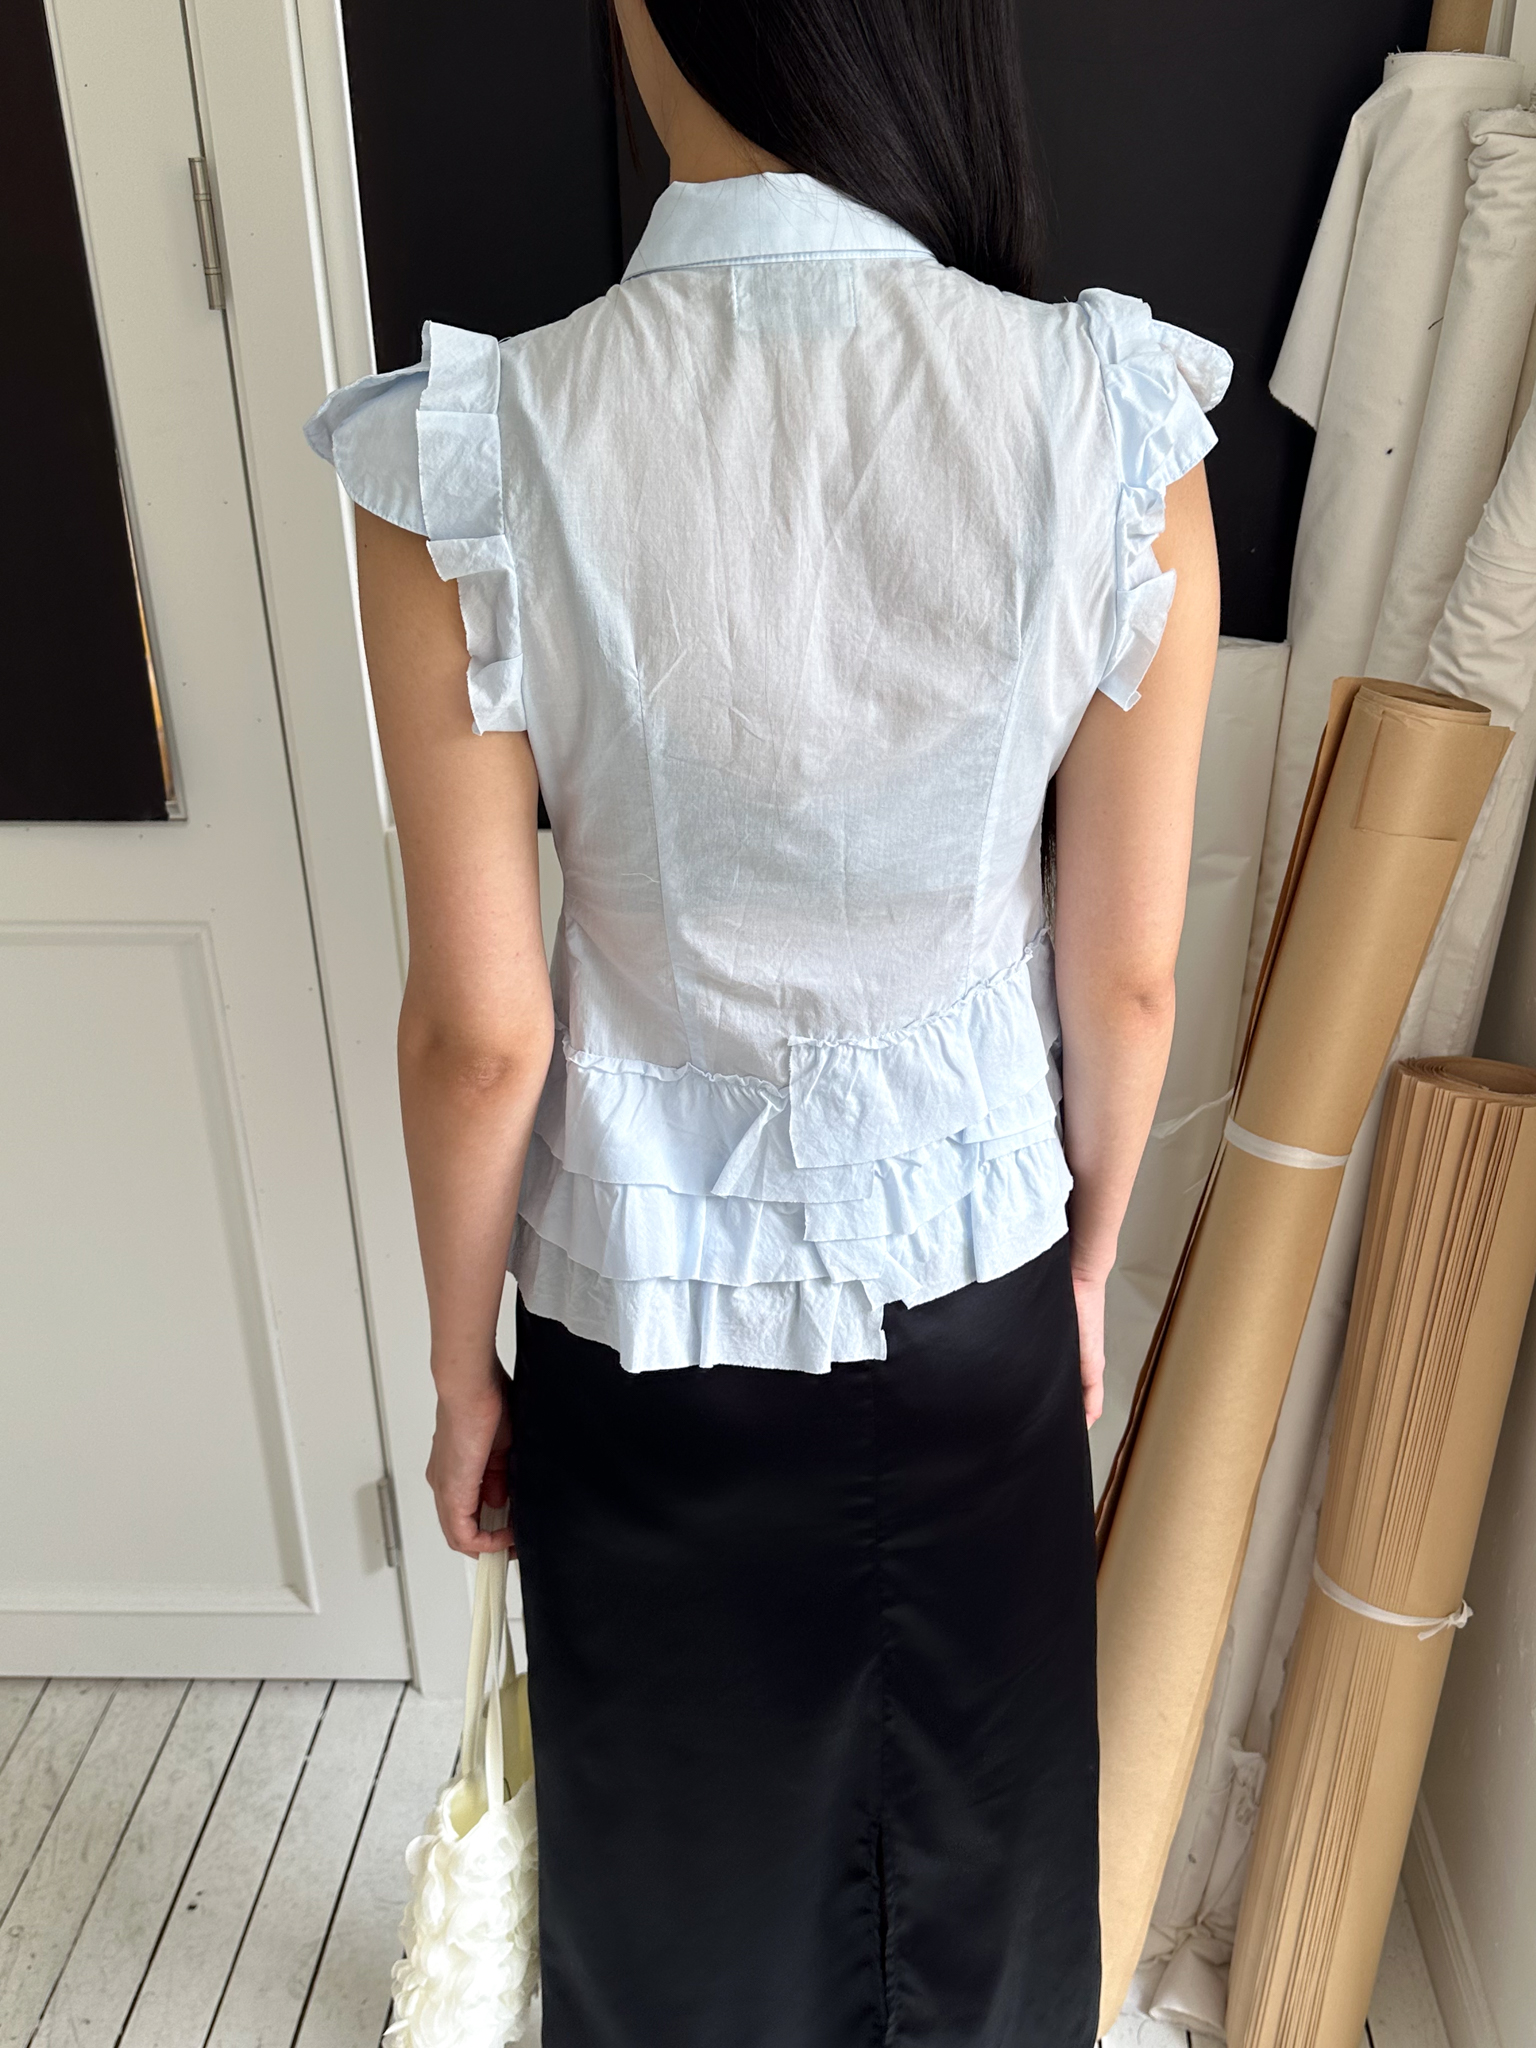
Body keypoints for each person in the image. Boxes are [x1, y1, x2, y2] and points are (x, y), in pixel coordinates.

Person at [306, 1, 1226, 2040]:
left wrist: (461, 1374)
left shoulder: (474, 458)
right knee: (977, 1890)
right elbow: (1127, 979)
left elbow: (483, 1033)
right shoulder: (1115, 426)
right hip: (973, 1282)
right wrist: (1082, 1268)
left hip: (638, 1316)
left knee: (674, 1905)